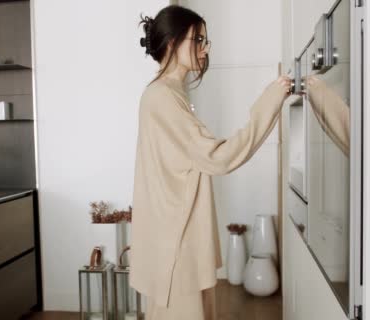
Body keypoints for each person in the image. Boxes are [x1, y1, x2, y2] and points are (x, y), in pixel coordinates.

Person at [130, 5, 291, 319]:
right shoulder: (162, 97)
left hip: (180, 234)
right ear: (174, 42)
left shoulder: (170, 93)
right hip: (176, 240)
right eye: (198, 39)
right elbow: (218, 157)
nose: (206, 47)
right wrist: (269, 102)